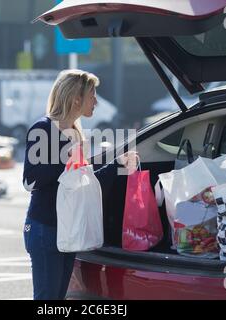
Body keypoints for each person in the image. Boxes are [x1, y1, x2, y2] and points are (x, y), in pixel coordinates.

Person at [22, 69, 138, 300]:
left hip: (68, 229)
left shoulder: (76, 132)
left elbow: (84, 181)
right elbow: (29, 181)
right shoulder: (43, 129)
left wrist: (118, 165)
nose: (95, 101)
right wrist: (67, 158)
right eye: (92, 95)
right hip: (45, 228)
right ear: (76, 98)